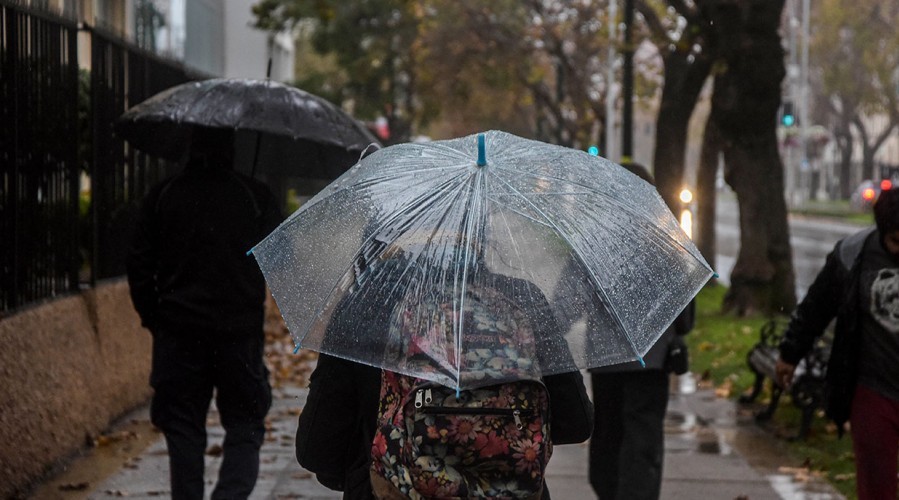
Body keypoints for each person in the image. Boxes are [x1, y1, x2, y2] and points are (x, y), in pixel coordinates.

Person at [295, 229, 593, 499]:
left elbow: (317, 450)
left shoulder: (365, 306)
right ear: (479, 232)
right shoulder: (523, 299)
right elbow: (575, 422)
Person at [126, 126, 282, 499]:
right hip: (239, 336)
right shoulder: (254, 196)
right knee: (245, 425)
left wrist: (156, 319)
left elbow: (139, 266)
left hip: (178, 335)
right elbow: (279, 257)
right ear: (232, 148)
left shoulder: (164, 196)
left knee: (183, 428)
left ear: (190, 146)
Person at [775, 187, 899, 500]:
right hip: (874, 388)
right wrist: (790, 353)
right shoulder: (854, 254)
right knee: (876, 485)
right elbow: (817, 306)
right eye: (896, 242)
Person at [587, 161, 695, 500]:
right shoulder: (668, 242)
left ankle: (609, 491)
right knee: (642, 439)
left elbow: (570, 298)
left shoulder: (595, 243)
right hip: (652, 358)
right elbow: (686, 319)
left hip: (605, 359)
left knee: (608, 434)